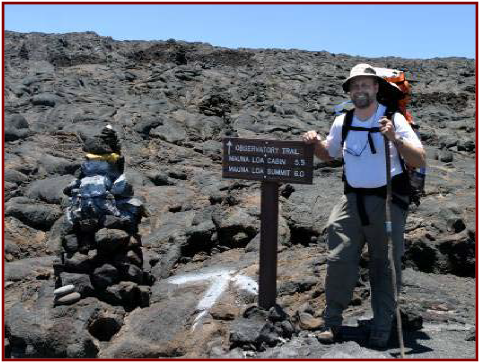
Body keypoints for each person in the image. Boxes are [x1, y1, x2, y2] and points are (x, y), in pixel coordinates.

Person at [302, 63, 425, 347]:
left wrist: (394, 137)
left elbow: (419, 159)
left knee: (385, 264)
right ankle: (332, 322)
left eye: (365, 84)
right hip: (351, 200)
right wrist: (314, 142)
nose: (360, 89)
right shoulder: (342, 121)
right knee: (339, 260)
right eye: (355, 85)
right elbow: (329, 155)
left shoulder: (393, 119)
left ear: (376, 88)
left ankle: (382, 325)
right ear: (350, 90)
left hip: (387, 201)